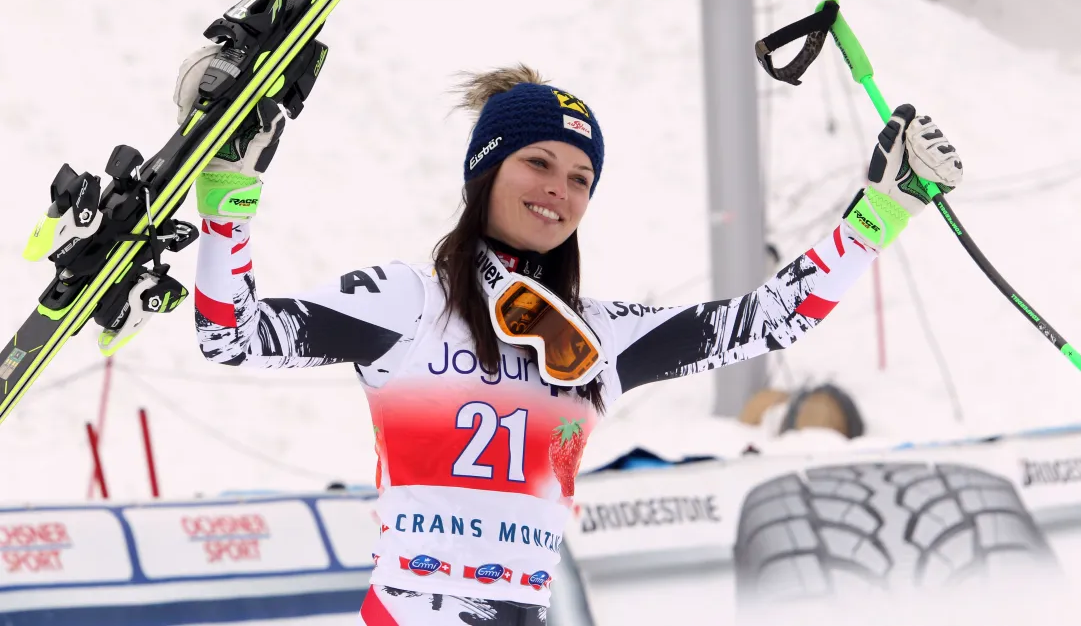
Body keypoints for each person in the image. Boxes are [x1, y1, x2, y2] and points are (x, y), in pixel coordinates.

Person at [174, 48, 962, 624]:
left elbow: (769, 317)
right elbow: (233, 334)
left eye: (580, 178)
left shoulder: (601, 337)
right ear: (486, 169)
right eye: (538, 163)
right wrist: (229, 200)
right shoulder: (406, 301)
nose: (559, 190)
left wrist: (877, 216)